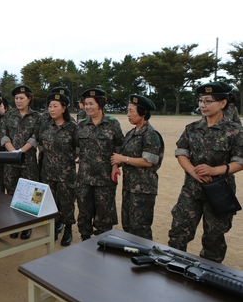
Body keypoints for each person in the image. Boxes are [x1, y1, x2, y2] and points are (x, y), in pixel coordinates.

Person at [168, 81, 243, 263]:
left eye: (208, 101)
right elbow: (181, 153)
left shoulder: (234, 131)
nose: (202, 105)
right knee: (178, 234)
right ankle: (174, 271)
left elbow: (240, 161)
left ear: (223, 103)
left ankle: (208, 280)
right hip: (191, 191)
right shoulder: (192, 128)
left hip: (219, 191)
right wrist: (194, 172)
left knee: (214, 240)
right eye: (201, 101)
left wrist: (215, 170)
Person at [110, 95, 164, 240]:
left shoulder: (151, 134)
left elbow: (149, 161)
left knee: (140, 228)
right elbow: (122, 155)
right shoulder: (131, 134)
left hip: (143, 190)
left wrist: (124, 159)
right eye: (128, 111)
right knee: (128, 225)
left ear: (143, 113)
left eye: (132, 111)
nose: (128, 114)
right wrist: (117, 163)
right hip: (129, 187)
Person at [76, 88, 124, 241]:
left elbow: (119, 148)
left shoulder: (113, 124)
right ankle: (85, 239)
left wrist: (116, 166)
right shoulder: (81, 125)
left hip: (105, 178)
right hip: (84, 178)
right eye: (86, 104)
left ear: (100, 104)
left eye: (91, 104)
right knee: (84, 211)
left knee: (104, 213)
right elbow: (76, 148)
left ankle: (103, 241)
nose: (88, 107)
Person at [38, 91, 78, 246]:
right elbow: (40, 144)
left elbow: (79, 148)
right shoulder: (45, 125)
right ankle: (53, 229)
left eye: (55, 106)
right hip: (47, 171)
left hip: (66, 173)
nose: (51, 109)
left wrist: (66, 161)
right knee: (49, 202)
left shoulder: (72, 127)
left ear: (64, 108)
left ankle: (68, 230)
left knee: (67, 202)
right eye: (49, 106)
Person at [2, 85, 40, 240]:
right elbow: (4, 136)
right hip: (11, 161)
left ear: (29, 99)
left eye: (21, 98)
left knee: (30, 194)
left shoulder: (37, 116)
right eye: (16, 98)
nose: (18, 101)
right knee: (11, 192)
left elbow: (35, 137)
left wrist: (20, 152)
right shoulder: (9, 115)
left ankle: (28, 225)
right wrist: (13, 153)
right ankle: (14, 224)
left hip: (28, 161)